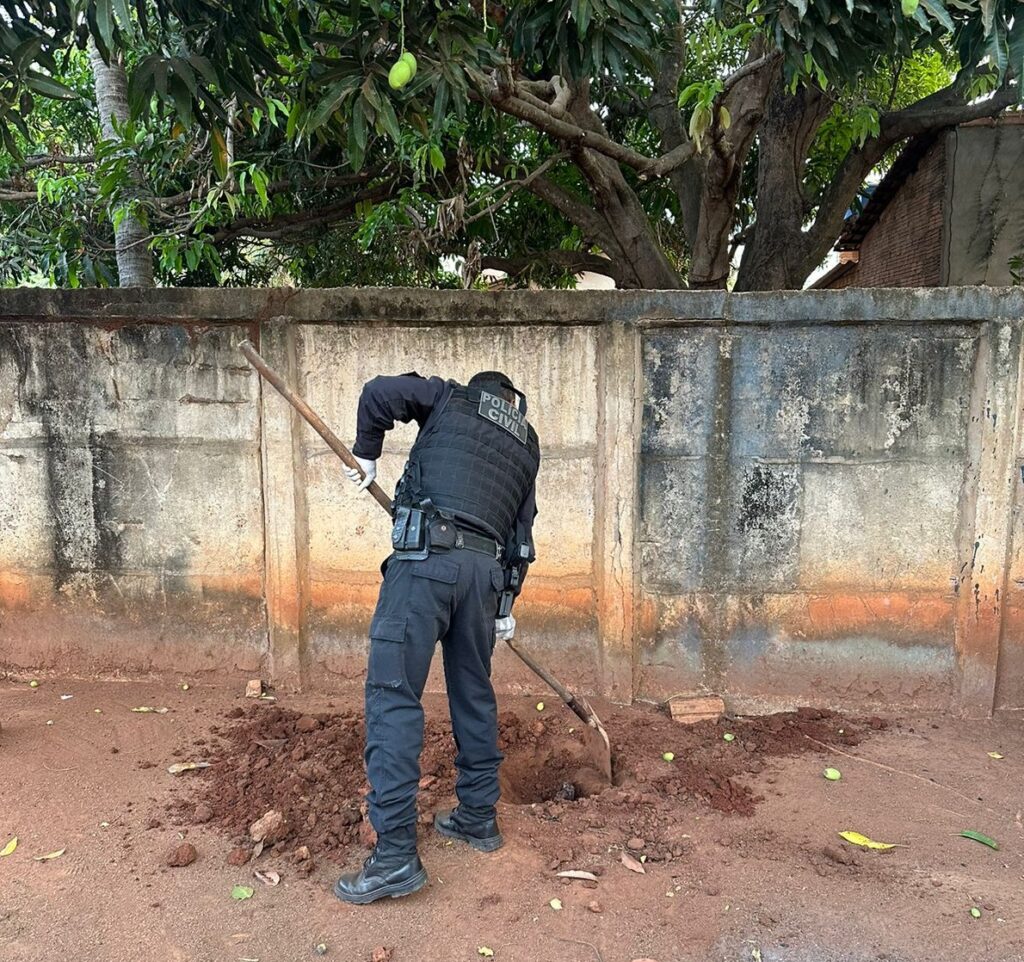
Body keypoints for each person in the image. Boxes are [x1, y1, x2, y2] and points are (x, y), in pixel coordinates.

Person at [333, 370, 540, 905]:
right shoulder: (525, 442)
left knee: (394, 697)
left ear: (479, 390)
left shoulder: (450, 397)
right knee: (474, 694)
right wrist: (505, 605)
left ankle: (396, 855)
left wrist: (367, 454)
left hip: (426, 562)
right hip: (483, 578)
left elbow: (379, 392)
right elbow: (521, 537)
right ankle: (476, 817)